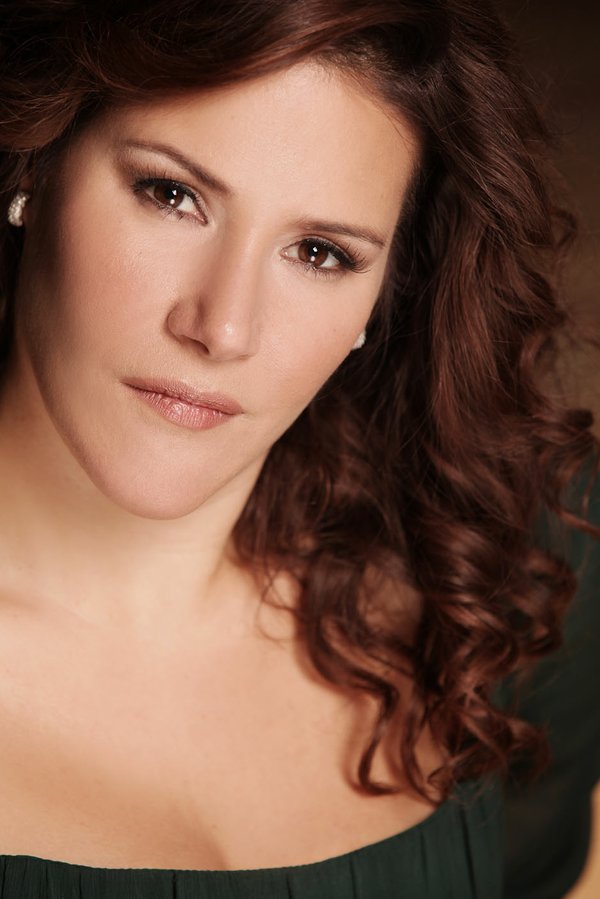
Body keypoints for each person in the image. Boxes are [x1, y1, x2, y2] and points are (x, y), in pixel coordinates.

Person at [0, 0, 597, 896]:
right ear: (34, 166)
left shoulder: (508, 580)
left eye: (319, 252)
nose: (223, 328)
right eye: (172, 195)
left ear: (381, 298)